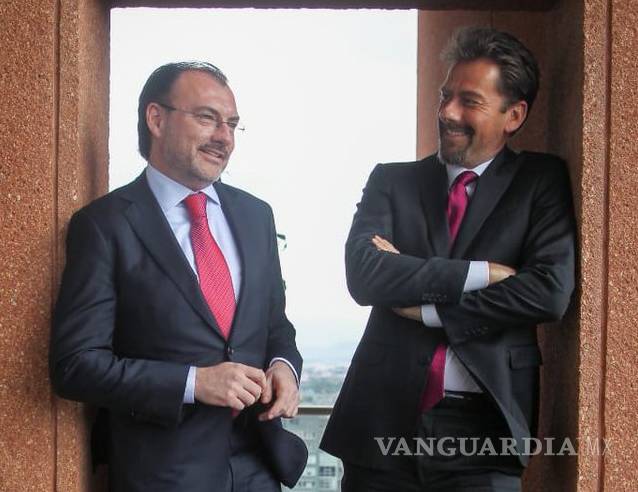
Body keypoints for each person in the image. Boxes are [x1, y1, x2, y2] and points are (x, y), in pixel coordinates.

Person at [320, 27, 576, 491]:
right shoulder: (392, 181)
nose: (448, 112)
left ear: (513, 115)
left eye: (469, 101)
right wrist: (484, 274)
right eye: (445, 96)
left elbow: (548, 291)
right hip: (381, 420)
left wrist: (428, 309)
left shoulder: (540, 181)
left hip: (486, 428)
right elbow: (365, 274)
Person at [50, 61, 306, 492]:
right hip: (161, 473)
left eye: (232, 124)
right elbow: (76, 364)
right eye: (207, 118)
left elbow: (275, 326)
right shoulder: (105, 225)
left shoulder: (255, 215)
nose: (224, 137)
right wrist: (194, 382)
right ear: (156, 119)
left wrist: (284, 367)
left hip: (259, 467)